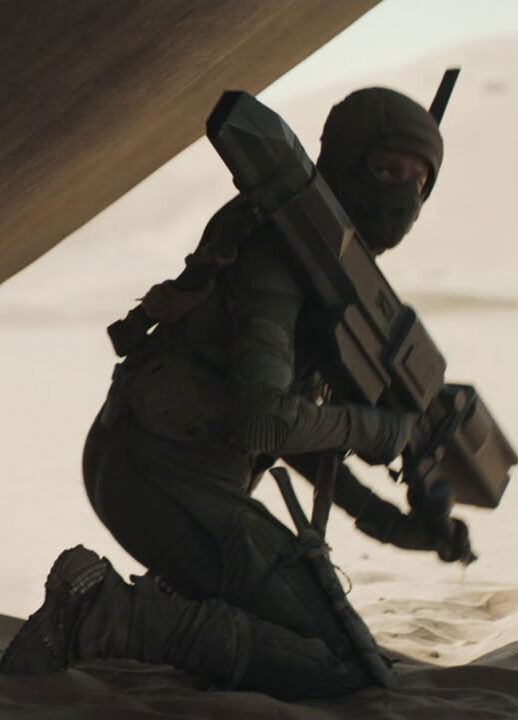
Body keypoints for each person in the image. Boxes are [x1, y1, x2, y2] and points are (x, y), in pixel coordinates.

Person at [0, 88, 470, 699]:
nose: (403, 196)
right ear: (345, 162)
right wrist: (375, 429)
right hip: (159, 477)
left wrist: (391, 523)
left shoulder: (327, 278)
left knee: (337, 653)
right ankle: (103, 614)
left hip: (164, 472)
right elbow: (264, 423)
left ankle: (159, 613)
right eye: (386, 170)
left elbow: (296, 440)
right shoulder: (279, 257)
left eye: (419, 182)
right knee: (351, 671)